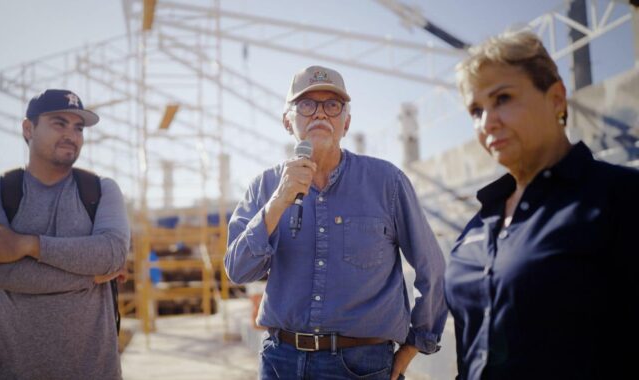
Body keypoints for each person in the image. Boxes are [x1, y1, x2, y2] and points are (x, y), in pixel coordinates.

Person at [225, 65, 448, 380]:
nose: (320, 114)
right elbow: (238, 270)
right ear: (288, 122)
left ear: (347, 123)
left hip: (361, 366)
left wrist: (418, 342)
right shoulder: (264, 186)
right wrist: (279, 202)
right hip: (280, 361)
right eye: (306, 105)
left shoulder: (387, 182)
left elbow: (432, 267)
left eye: (332, 105)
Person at [445, 30, 639, 380]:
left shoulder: (620, 199)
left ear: (556, 99)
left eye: (502, 98)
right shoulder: (476, 228)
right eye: (476, 110)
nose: (487, 122)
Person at [0, 89, 130, 379]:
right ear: (28, 129)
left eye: (78, 127)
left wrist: (28, 245)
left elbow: (112, 254)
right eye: (59, 123)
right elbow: (0, 274)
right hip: (4, 371)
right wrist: (91, 276)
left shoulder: (101, 191)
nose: (71, 134)